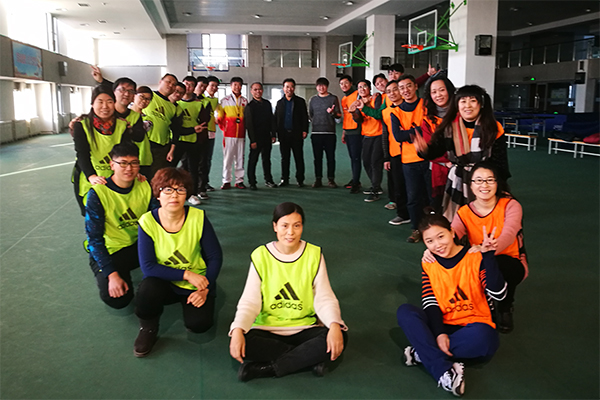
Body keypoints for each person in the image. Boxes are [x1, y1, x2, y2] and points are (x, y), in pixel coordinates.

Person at [229, 202, 347, 381]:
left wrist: (334, 325)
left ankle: (268, 369)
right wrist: (238, 329)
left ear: (302, 227)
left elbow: (324, 297)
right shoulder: (260, 255)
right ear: (275, 226)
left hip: (304, 328)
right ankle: (307, 359)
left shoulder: (314, 254)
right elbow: (250, 300)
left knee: (339, 336)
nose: (290, 232)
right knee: (244, 340)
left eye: (296, 226)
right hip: (267, 329)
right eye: (284, 226)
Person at [397, 209, 507, 397]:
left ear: (452, 232)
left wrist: (489, 256)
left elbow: (499, 294)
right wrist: (440, 333)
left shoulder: (476, 256)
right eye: (430, 241)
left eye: (441, 236)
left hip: (474, 326)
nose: (437, 245)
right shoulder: (429, 263)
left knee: (486, 338)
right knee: (405, 312)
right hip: (442, 324)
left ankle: (422, 353)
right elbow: (430, 302)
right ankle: (443, 371)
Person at [134, 168, 223, 357]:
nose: (174, 195)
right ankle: (148, 327)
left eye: (180, 189)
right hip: (164, 281)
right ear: (158, 194)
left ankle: (201, 296)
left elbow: (215, 256)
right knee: (147, 289)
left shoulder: (198, 217)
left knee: (199, 325)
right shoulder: (147, 221)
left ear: (186, 194)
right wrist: (186, 274)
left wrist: (205, 288)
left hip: (196, 283)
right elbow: (148, 266)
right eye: (168, 190)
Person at [413, 85, 510, 221]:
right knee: (458, 219)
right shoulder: (448, 127)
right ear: (457, 105)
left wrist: (501, 186)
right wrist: (424, 150)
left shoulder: (494, 128)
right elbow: (435, 151)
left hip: (484, 182)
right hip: (457, 181)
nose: (467, 106)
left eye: (473, 101)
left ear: (481, 104)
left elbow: (500, 162)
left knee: (485, 219)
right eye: (463, 101)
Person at [451, 161, 528, 333]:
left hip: (510, 261)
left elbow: (509, 233)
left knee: (497, 265)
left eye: (489, 180)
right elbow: (451, 235)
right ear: (471, 185)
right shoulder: (464, 212)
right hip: (479, 261)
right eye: (478, 180)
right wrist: (433, 247)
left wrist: (488, 250)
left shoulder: (511, 205)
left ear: (497, 183)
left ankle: (505, 307)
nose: (484, 185)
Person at [85, 141, 155, 309]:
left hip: (139, 246)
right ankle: (103, 270)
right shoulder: (98, 193)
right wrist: (111, 274)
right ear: (112, 165)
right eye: (123, 163)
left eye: (134, 163)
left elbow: (159, 220)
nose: (129, 168)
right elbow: (94, 238)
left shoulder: (145, 185)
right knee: (118, 300)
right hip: (113, 250)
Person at [72, 85, 145, 215]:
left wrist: (133, 171)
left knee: (115, 214)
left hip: (115, 178)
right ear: (92, 104)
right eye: (100, 102)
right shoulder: (81, 125)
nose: (105, 106)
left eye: (109, 102)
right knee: (95, 216)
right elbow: (82, 154)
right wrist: (92, 176)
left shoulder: (122, 124)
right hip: (89, 177)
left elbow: (126, 152)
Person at [389, 75, 432, 243]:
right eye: (401, 88)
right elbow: (398, 136)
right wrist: (419, 130)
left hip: (429, 158)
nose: (405, 90)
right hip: (409, 161)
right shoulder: (396, 112)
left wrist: (410, 132)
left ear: (415, 86)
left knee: (432, 196)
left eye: (408, 86)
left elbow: (431, 128)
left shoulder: (426, 105)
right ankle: (416, 229)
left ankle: (434, 228)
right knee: (413, 198)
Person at [421, 74, 456, 213]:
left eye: (442, 90)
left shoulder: (461, 115)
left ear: (449, 90)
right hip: (437, 169)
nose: (438, 95)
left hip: (461, 168)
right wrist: (446, 162)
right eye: (434, 92)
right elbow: (429, 146)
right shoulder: (428, 118)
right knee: (439, 207)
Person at [142, 73, 185, 180]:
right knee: (141, 175)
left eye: (174, 84)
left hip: (160, 147)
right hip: (143, 143)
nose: (170, 85)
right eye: (168, 82)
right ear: (160, 81)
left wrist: (171, 150)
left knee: (157, 177)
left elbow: (175, 130)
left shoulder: (173, 108)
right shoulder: (149, 96)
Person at [381, 81, 411, 227]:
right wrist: (386, 157)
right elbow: (385, 135)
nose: (392, 93)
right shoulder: (386, 112)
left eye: (395, 90)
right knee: (398, 186)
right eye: (389, 91)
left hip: (412, 153)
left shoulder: (410, 108)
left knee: (413, 186)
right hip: (395, 154)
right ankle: (403, 214)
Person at [350, 79, 383, 202]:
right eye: (359, 87)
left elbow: (378, 115)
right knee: (366, 162)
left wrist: (365, 106)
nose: (362, 89)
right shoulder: (358, 102)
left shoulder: (376, 98)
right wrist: (353, 113)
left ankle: (375, 190)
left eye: (364, 86)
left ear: (369, 88)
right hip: (366, 135)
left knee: (375, 162)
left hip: (378, 134)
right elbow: (359, 120)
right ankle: (376, 185)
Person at [274, 78, 309, 187]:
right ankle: (284, 179)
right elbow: (276, 119)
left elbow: (304, 117)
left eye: (291, 87)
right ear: (283, 88)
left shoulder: (300, 101)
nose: (289, 89)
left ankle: (300, 179)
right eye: (287, 87)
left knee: (298, 157)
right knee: (285, 158)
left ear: (294, 88)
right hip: (283, 134)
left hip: (296, 134)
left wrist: (305, 130)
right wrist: (275, 133)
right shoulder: (279, 103)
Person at [308, 77, 341, 188]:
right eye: (319, 85)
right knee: (317, 158)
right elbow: (311, 115)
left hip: (330, 133)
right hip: (316, 133)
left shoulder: (333, 98)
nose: (321, 87)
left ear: (327, 86)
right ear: (316, 87)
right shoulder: (313, 100)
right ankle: (318, 179)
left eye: (323, 85)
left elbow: (339, 115)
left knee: (330, 158)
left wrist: (333, 113)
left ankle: (331, 180)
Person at [245, 82, 277, 190]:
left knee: (266, 159)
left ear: (262, 90)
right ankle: (252, 182)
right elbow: (249, 125)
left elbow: (271, 120)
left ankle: (268, 180)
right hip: (256, 138)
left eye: (259, 89)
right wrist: (253, 140)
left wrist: (273, 134)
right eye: (255, 89)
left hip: (267, 136)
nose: (258, 91)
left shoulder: (267, 104)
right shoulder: (250, 106)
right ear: (251, 91)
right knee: (253, 160)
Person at [217, 77, 248, 189]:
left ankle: (239, 180)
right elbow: (220, 118)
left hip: (241, 134)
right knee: (228, 158)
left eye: (239, 85)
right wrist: (226, 129)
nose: (237, 87)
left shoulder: (245, 101)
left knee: (240, 158)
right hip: (229, 134)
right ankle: (226, 180)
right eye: (235, 85)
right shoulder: (224, 101)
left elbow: (247, 118)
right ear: (231, 86)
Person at [339, 75, 362, 194]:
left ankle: (356, 183)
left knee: (356, 158)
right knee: (353, 158)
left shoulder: (358, 94)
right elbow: (346, 117)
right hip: (348, 131)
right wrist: (344, 132)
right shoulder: (344, 99)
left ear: (351, 83)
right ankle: (355, 179)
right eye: (341, 84)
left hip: (357, 131)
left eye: (346, 83)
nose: (344, 85)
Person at [199, 76, 221, 196]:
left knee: (207, 159)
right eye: (212, 85)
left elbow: (218, 113)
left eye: (216, 86)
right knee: (199, 160)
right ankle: (198, 184)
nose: (214, 88)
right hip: (200, 132)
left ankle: (205, 182)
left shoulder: (215, 100)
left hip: (211, 132)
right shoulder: (200, 98)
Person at [130, 86, 154, 178]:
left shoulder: (148, 119)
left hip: (144, 157)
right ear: (134, 96)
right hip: (127, 156)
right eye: (142, 97)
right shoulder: (125, 115)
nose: (144, 101)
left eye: (148, 99)